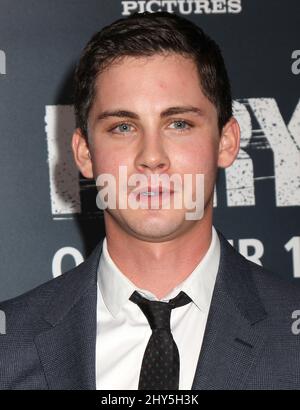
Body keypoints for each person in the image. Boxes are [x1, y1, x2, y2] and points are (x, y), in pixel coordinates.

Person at [0, 11, 300, 391]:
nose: (152, 156)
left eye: (179, 124)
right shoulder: (8, 348)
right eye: (123, 127)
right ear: (85, 154)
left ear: (226, 142)